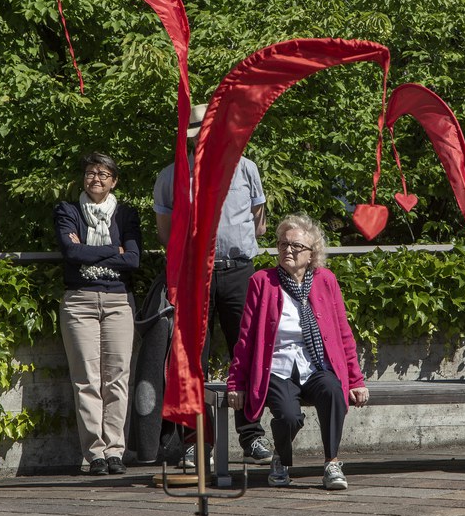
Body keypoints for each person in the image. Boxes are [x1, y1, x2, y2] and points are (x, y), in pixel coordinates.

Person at [152, 103, 273, 466]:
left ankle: (251, 436)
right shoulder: (172, 176)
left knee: (247, 352)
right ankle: (195, 442)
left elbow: (260, 224)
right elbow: (164, 233)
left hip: (239, 271)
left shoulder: (246, 169)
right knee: (192, 359)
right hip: (194, 275)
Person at [226, 214, 369, 489]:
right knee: (289, 416)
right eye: (282, 244)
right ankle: (281, 458)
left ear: (312, 253)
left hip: (314, 365)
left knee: (333, 391)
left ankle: (332, 463)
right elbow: (245, 338)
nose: (287, 250)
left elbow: (343, 334)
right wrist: (236, 383)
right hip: (277, 368)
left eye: (295, 246)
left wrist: (356, 380)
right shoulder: (262, 281)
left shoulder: (326, 280)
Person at [54, 152, 141, 475]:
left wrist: (90, 255)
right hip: (79, 302)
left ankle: (115, 450)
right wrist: (112, 252)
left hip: (118, 302)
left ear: (114, 181)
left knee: (117, 378)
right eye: (91, 173)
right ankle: (95, 453)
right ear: (83, 178)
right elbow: (71, 251)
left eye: (104, 174)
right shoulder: (67, 211)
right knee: (86, 380)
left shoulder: (126, 214)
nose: (96, 179)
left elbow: (133, 259)